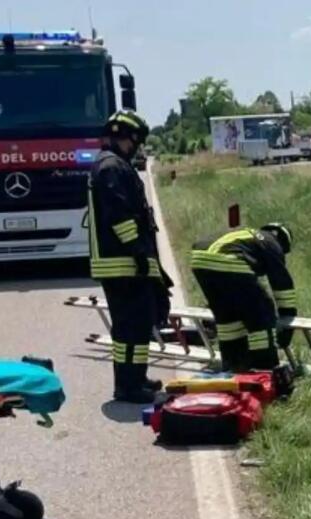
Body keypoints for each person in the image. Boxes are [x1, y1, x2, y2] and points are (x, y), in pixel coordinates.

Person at [88, 109, 170, 404]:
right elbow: (120, 216)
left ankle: (134, 378)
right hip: (123, 263)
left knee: (132, 327)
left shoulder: (109, 164)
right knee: (132, 327)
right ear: (128, 137)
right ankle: (128, 386)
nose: (137, 148)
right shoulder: (111, 167)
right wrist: (138, 250)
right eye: (136, 141)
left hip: (122, 263)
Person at [191, 223, 296, 372]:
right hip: (227, 260)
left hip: (199, 260)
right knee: (262, 314)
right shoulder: (272, 243)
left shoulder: (247, 235)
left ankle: (233, 366)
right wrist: (287, 318)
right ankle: (264, 369)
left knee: (228, 319)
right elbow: (282, 285)